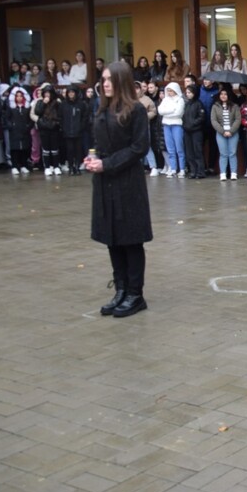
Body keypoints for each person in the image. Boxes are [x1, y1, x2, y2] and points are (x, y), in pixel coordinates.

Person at [84, 61, 153, 318]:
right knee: (112, 237)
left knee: (130, 239)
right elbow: (98, 143)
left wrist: (107, 163)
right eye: (102, 79)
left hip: (128, 183)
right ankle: (121, 289)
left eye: (109, 79)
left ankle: (135, 294)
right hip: (105, 183)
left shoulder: (136, 110)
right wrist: (92, 158)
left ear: (121, 81)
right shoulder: (102, 109)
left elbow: (139, 148)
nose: (105, 84)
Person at [210, 86, 241, 180]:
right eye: (221, 94)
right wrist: (222, 131)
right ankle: (223, 173)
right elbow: (214, 120)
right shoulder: (215, 106)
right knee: (223, 153)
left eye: (225, 94)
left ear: (229, 95)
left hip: (233, 133)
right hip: (221, 133)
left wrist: (231, 131)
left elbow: (238, 119)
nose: (223, 96)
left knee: (232, 153)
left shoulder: (235, 106)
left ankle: (233, 173)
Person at [157, 82, 186, 177]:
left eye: (171, 91)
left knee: (179, 148)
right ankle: (173, 169)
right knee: (170, 148)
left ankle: (182, 169)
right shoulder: (165, 100)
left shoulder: (180, 100)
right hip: (166, 125)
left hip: (177, 125)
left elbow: (178, 113)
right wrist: (171, 110)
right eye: (168, 91)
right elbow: (160, 111)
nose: (169, 92)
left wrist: (166, 113)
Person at [60, 86, 89, 175]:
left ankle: (77, 166)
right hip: (67, 131)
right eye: (69, 92)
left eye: (73, 92)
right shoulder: (63, 104)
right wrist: (63, 127)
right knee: (70, 150)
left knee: (78, 150)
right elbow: (60, 117)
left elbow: (85, 117)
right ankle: (71, 167)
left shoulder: (81, 104)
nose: (71, 94)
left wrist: (81, 127)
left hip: (78, 131)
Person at [5, 87, 33, 175]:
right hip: (14, 132)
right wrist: (11, 126)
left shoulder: (27, 108)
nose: (19, 98)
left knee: (24, 149)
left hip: (24, 131)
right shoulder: (11, 108)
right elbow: (6, 118)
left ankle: (24, 165)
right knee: (15, 149)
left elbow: (31, 119)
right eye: (17, 96)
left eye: (21, 96)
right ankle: (14, 166)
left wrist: (28, 126)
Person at [35, 86, 63, 176]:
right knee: (46, 149)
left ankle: (56, 166)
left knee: (55, 149)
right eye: (46, 93)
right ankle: (47, 167)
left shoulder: (57, 103)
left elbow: (60, 115)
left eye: (49, 93)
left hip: (54, 128)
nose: (47, 95)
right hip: (44, 128)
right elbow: (37, 112)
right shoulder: (40, 102)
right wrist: (43, 103)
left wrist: (56, 123)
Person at [182, 84, 207, 179]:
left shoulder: (199, 104)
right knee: (189, 152)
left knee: (197, 151)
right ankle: (193, 171)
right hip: (187, 130)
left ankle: (200, 171)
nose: (188, 94)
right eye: (187, 92)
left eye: (190, 92)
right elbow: (184, 116)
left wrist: (192, 123)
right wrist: (185, 124)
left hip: (196, 131)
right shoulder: (187, 104)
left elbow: (201, 117)